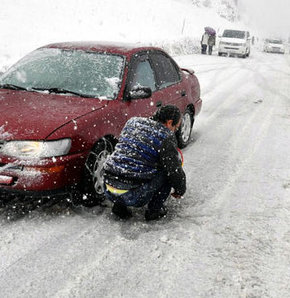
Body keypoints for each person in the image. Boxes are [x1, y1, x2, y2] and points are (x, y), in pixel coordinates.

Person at [103, 105, 186, 221]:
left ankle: (119, 206)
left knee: (125, 161)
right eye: (176, 127)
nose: (175, 130)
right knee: (167, 171)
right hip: (134, 196)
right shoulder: (166, 136)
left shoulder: (133, 122)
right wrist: (180, 190)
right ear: (169, 122)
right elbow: (174, 171)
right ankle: (154, 211)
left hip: (108, 186)